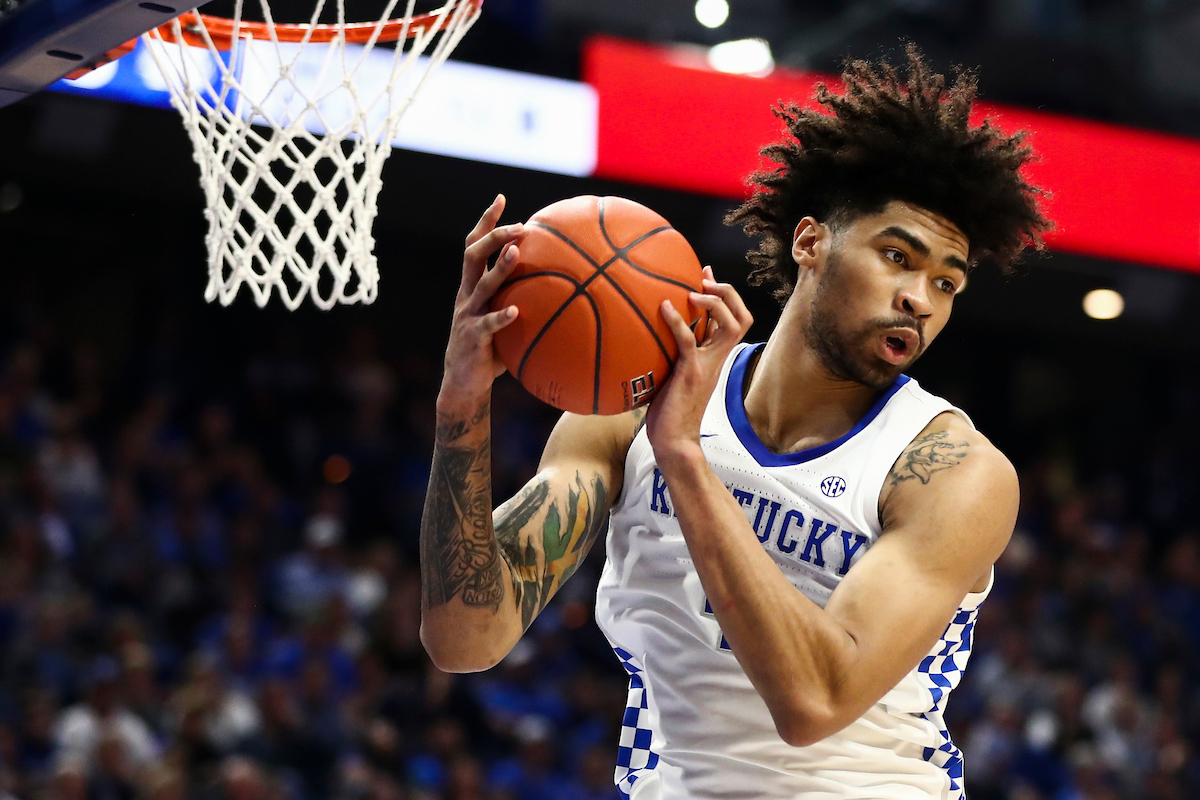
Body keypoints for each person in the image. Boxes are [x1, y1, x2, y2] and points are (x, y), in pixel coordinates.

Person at [419, 45, 1051, 799]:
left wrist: (684, 456)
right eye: (896, 256)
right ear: (811, 241)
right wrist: (461, 406)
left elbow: (816, 700)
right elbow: (465, 638)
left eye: (946, 282)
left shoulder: (952, 470)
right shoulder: (634, 406)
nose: (921, 298)